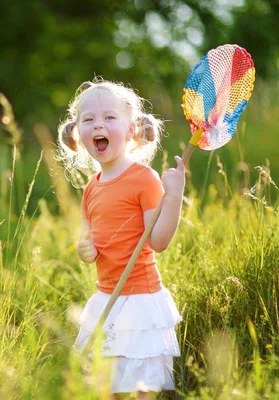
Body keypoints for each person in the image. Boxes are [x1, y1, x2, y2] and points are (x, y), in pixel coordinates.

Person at [58, 78, 185, 398]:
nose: (98, 124)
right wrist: (85, 250)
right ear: (78, 134)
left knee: (142, 389)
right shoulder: (91, 188)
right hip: (106, 300)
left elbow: (158, 241)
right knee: (106, 387)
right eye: (88, 119)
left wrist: (175, 197)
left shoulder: (144, 179)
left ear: (131, 130)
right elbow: (91, 244)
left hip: (141, 301)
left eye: (109, 118)